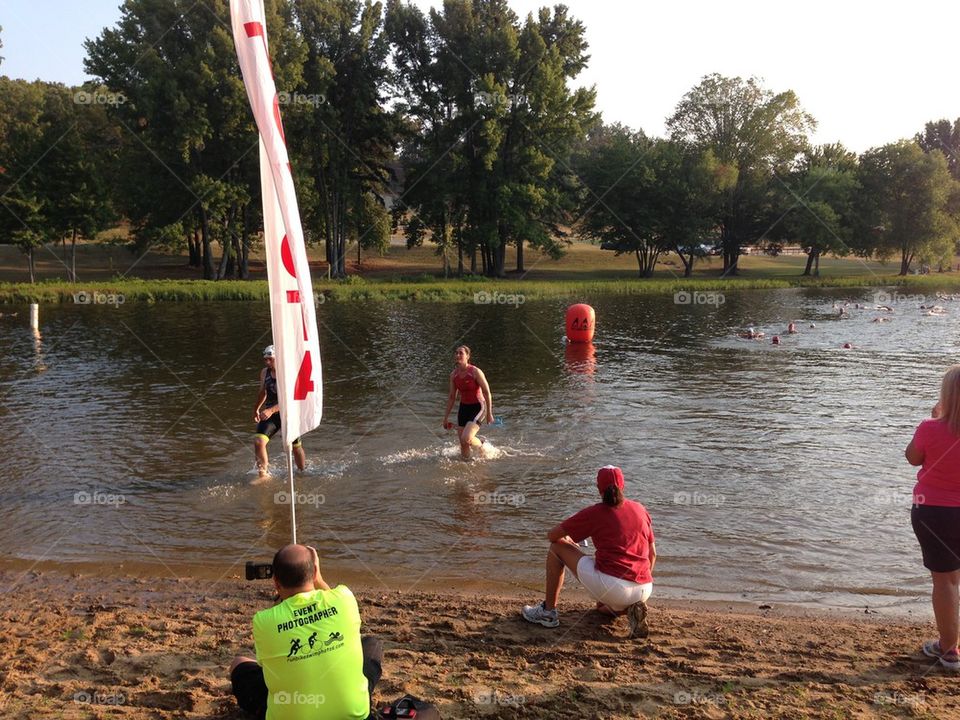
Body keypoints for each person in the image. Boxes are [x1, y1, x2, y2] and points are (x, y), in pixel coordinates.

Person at [229, 544, 384, 719]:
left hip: (292, 704)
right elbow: (330, 595)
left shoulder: (263, 621)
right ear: (315, 571)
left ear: (276, 582)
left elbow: (269, 669)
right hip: (353, 715)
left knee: (239, 663)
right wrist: (318, 579)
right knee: (372, 645)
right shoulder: (344, 598)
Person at [521, 466, 656, 638]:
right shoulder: (639, 508)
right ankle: (630, 608)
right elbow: (652, 555)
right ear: (623, 486)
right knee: (601, 607)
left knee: (556, 548)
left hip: (614, 586)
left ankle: (548, 612)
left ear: (599, 488)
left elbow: (552, 535)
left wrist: (568, 540)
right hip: (644, 588)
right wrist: (637, 584)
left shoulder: (595, 512)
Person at [906, 366, 960, 671]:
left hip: (935, 513)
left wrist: (935, 420)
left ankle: (950, 650)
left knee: (946, 581)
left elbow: (912, 457)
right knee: (953, 581)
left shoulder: (930, 428)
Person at [254, 345, 305, 478]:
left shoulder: (288, 373)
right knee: (259, 442)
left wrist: (271, 410)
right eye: (265, 359)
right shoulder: (264, 372)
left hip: (289, 413)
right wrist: (256, 409)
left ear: (279, 358)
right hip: (271, 414)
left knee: (295, 446)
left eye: (270, 359)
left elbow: (290, 399)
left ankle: (301, 472)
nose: (267, 362)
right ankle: (263, 475)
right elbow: (262, 392)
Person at [442, 345, 494, 460]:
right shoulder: (453, 375)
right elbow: (451, 397)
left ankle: (481, 443)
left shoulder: (475, 372)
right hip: (464, 408)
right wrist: (445, 418)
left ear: (467, 356)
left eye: (461, 353)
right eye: (456, 353)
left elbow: (487, 392)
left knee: (466, 438)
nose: (458, 355)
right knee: (463, 443)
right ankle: (467, 464)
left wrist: (489, 413)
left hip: (478, 407)